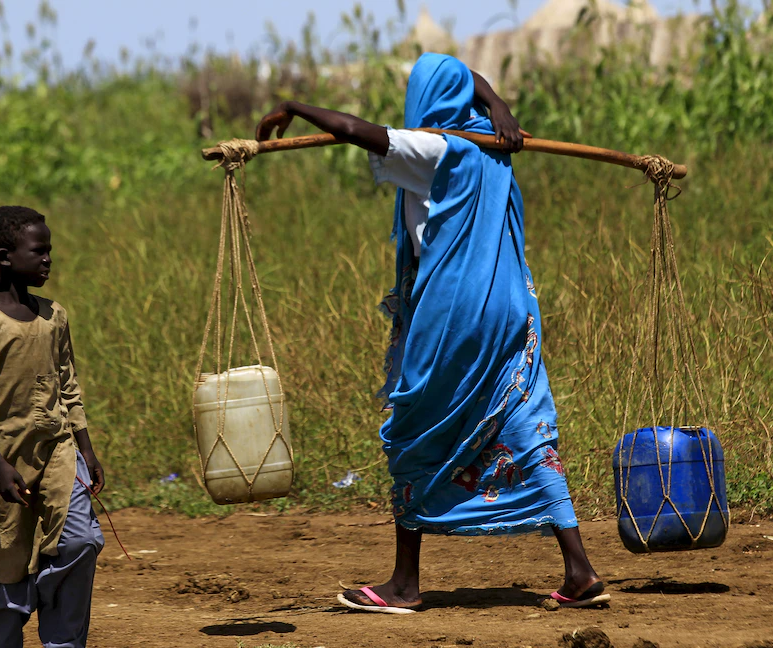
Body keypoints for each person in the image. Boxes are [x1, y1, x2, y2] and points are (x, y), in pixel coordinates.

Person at [256, 53, 608, 613]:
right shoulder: (496, 148)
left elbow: (352, 130)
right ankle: (579, 569)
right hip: (513, 307)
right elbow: (473, 82)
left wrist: (293, 105)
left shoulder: (436, 151)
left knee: (412, 427)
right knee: (520, 419)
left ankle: (404, 584)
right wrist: (497, 104)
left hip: (454, 315)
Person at [0, 206, 105, 646]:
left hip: (56, 451)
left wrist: (85, 446)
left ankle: (63, 637)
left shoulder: (54, 316)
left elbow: (68, 383)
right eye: (40, 251)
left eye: (50, 250)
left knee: (80, 540)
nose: (49, 259)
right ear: (4, 256)